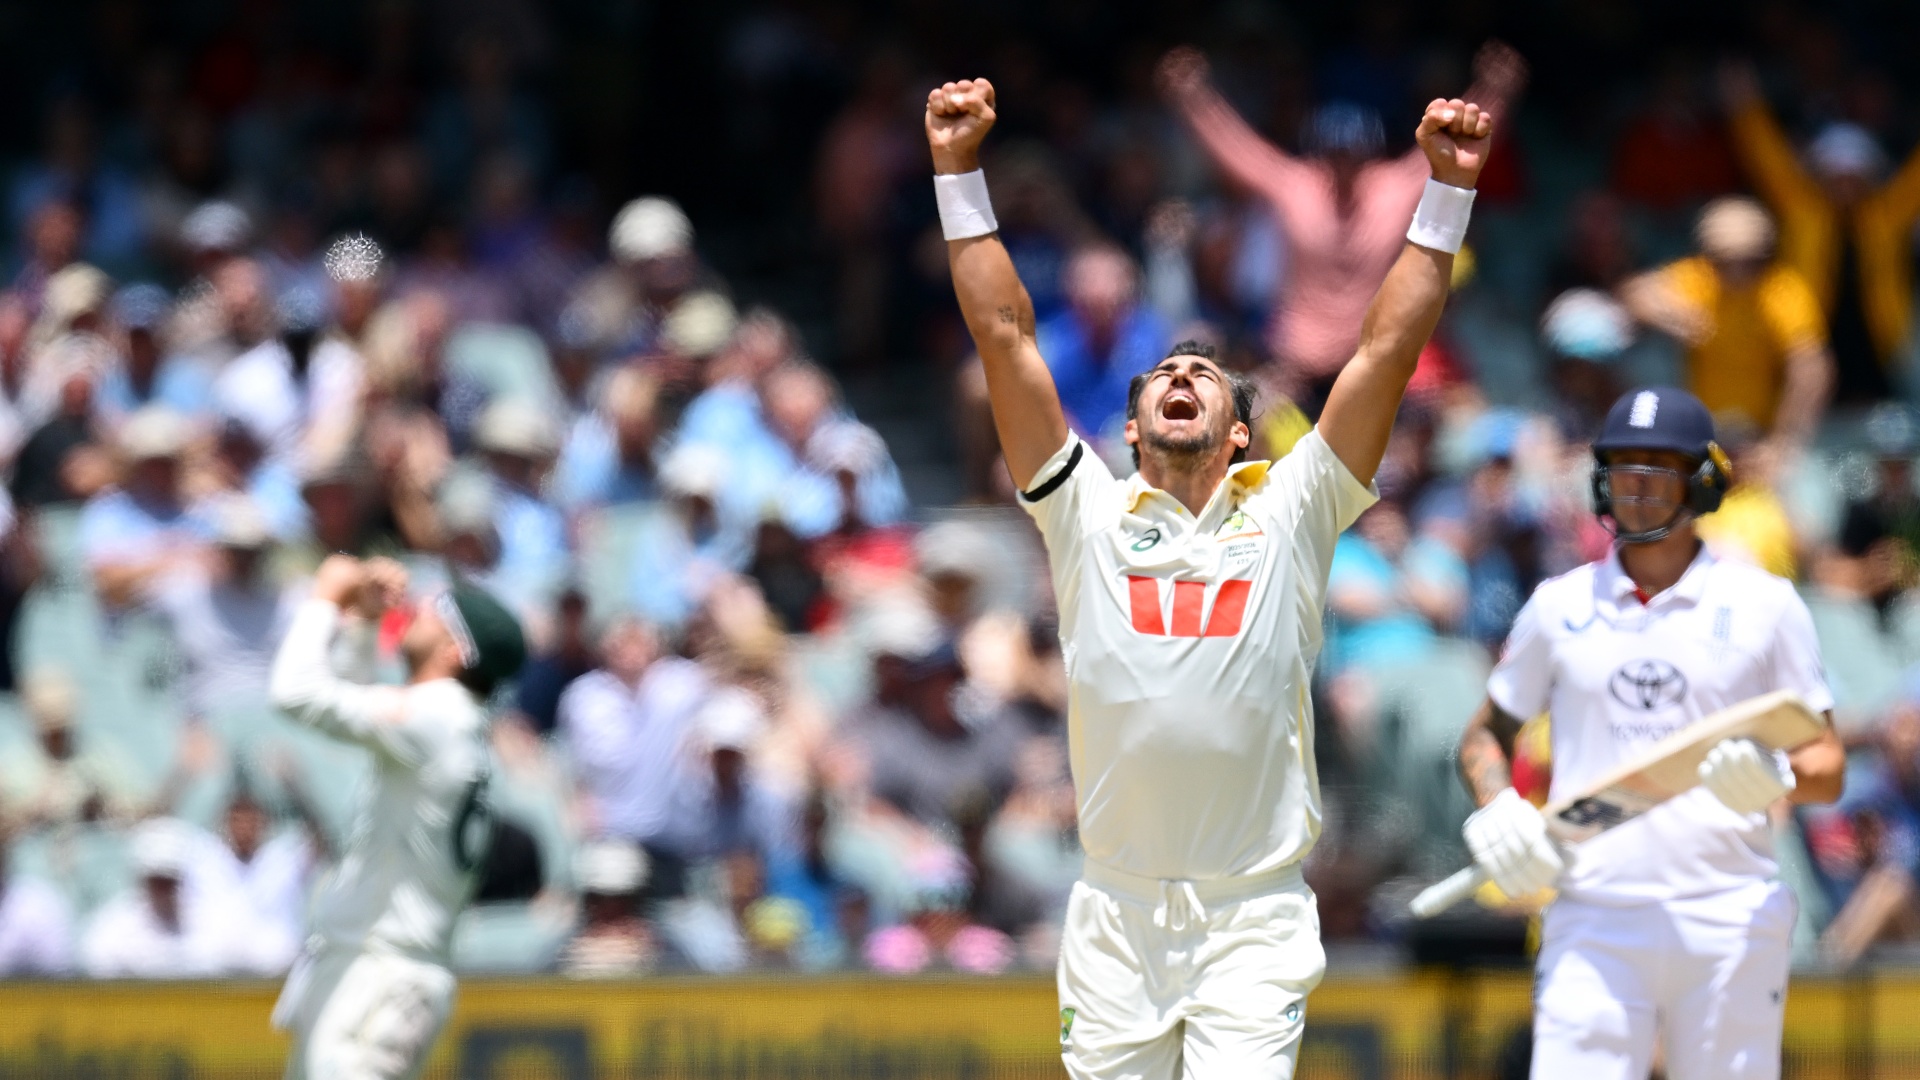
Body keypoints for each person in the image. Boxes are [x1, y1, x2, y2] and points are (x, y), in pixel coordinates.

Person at [927, 72, 1495, 1076]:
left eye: (1203, 376)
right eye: (1161, 378)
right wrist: (957, 172)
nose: (1180, 377)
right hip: (1115, 909)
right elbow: (1006, 334)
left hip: (1250, 914)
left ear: (1242, 432)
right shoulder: (1084, 511)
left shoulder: (1295, 507)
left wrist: (1446, 192)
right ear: (1134, 427)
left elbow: (1387, 348)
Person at [1452, 387, 1847, 1079]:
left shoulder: (1765, 605)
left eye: (1657, 466)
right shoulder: (1558, 607)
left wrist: (1777, 777)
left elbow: (1828, 761)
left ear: (1703, 480)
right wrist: (1498, 803)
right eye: (1623, 464)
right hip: (1594, 912)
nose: (1635, 485)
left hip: (1729, 910)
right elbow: (1485, 735)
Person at [267, 555, 526, 1080]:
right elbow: (352, 706)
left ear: (456, 651)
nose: (415, 612)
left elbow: (296, 694)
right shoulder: (448, 720)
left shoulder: (436, 715)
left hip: (382, 977)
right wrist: (362, 620)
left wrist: (325, 598)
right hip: (380, 970)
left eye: (435, 612)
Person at [1156, 41, 1525, 405]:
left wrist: (1495, 92)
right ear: (1320, 155)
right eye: (1334, 155)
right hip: (1295, 366)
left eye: (1353, 155)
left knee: (1378, 458)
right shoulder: (1298, 187)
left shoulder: (1391, 189)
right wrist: (1192, 96)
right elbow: (1237, 149)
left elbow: (1458, 150)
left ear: (1369, 155)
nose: (1343, 165)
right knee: (1272, 447)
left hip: (1365, 369)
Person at [1619, 198, 1834, 446]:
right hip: (1695, 426)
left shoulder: (1782, 291)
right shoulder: (1698, 280)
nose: (1737, 273)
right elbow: (1633, 293)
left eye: (1749, 262)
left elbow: (1812, 367)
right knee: (1646, 352)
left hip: (1761, 431)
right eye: (1725, 262)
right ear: (1708, 256)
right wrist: (1671, 317)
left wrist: (1783, 443)